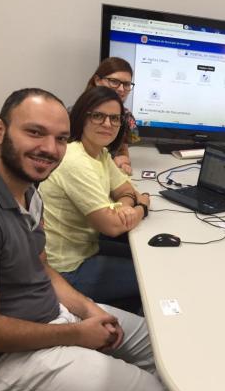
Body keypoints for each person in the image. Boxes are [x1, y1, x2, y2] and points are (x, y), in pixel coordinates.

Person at [0, 88, 180, 391]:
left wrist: (87, 309)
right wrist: (76, 334)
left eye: (60, 139)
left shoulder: (27, 189)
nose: (49, 149)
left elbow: (41, 267)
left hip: (50, 314)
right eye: (35, 132)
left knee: (167, 349)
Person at [40, 86, 149, 313]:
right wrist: (142, 208)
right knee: (151, 273)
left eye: (115, 118)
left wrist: (124, 207)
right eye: (98, 116)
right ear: (82, 117)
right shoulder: (75, 159)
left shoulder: (99, 153)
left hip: (87, 248)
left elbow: (126, 189)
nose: (108, 124)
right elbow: (112, 227)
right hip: (67, 269)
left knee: (148, 256)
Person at [85, 57, 139, 174]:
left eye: (126, 84)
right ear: (97, 80)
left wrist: (123, 161)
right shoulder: (76, 114)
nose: (121, 89)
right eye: (114, 81)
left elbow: (122, 150)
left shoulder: (126, 117)